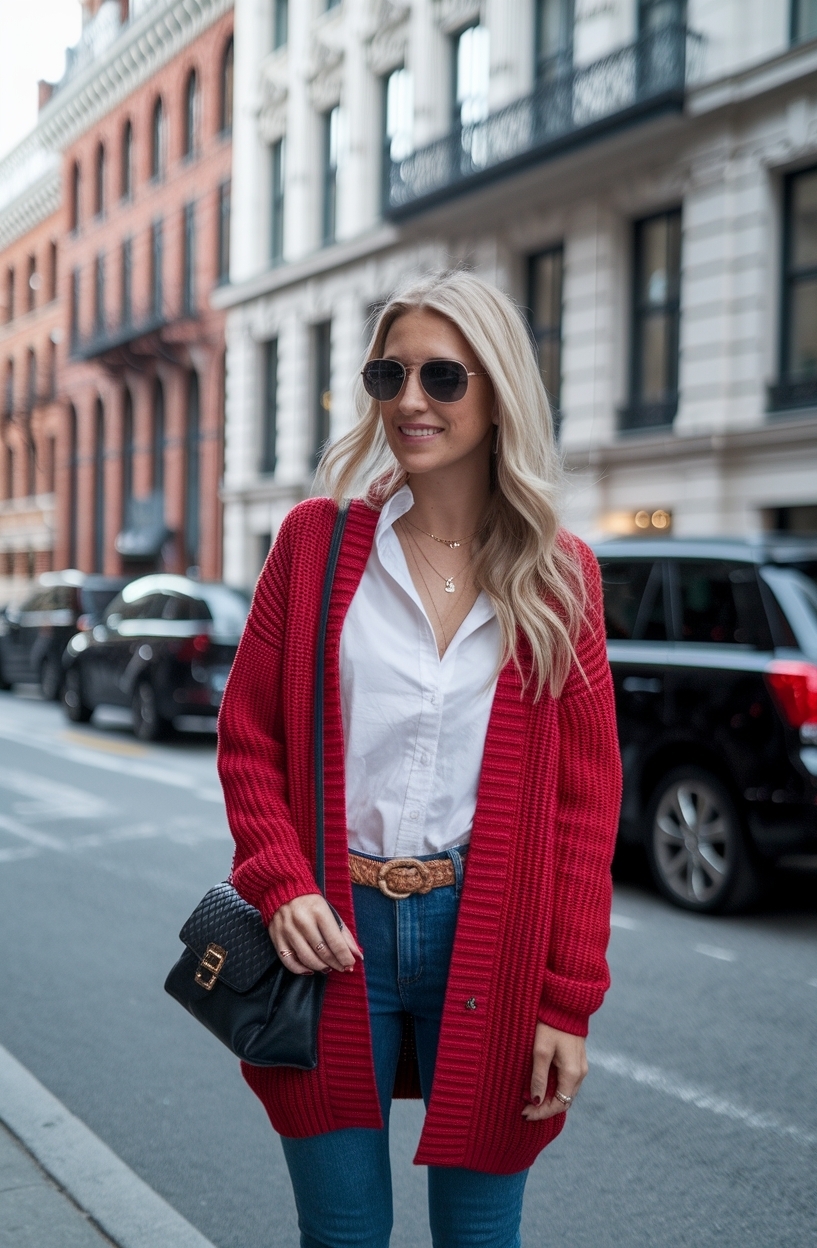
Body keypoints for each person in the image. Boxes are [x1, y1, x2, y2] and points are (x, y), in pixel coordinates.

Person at [217, 269, 622, 1248]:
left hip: (487, 937)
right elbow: (248, 741)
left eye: (442, 378)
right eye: (387, 375)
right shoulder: (313, 545)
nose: (409, 401)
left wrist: (566, 1003)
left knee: (481, 1237)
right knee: (342, 1233)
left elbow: (582, 809)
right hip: (327, 940)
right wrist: (281, 885)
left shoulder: (559, 575)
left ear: (497, 392)